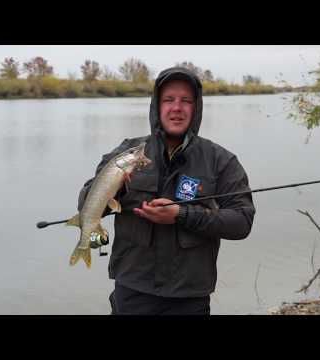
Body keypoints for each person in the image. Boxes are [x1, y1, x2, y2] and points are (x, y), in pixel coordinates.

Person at [77, 67, 256, 315]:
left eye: (186, 101)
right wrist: (115, 192)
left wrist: (182, 215)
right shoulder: (127, 152)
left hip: (190, 296)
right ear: (156, 106)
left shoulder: (220, 160)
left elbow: (242, 221)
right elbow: (85, 201)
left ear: (196, 108)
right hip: (132, 290)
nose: (176, 108)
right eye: (168, 100)